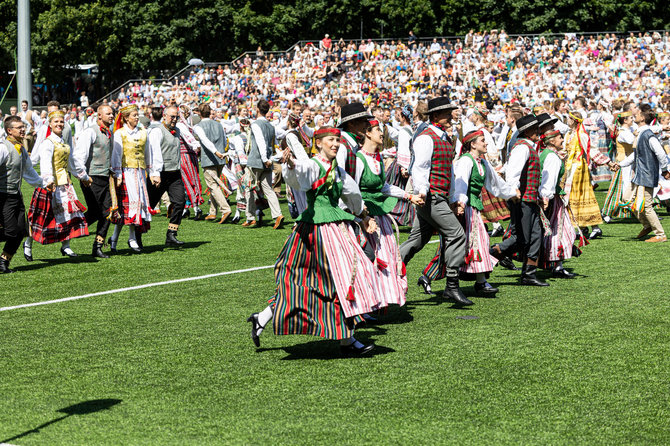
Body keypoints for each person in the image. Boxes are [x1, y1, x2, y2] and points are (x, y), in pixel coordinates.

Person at [247, 127, 383, 356]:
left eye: (337, 140)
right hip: (314, 232)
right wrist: (290, 165)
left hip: (333, 230)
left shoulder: (338, 172)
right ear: (318, 143)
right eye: (331, 140)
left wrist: (364, 217)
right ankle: (347, 341)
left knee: (328, 283)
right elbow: (299, 177)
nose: (336, 144)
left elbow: (353, 196)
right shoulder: (313, 165)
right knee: (315, 283)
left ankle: (263, 318)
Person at [399, 97, 471, 306]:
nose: (451, 115)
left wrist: (453, 197)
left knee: (417, 240)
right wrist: (422, 192)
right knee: (457, 234)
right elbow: (420, 168)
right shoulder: (426, 138)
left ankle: (389, 270)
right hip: (430, 196)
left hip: (437, 196)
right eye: (447, 113)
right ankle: (451, 285)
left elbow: (448, 171)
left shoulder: (444, 137)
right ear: (436, 116)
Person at [355, 119, 421, 306]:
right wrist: (363, 216)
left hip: (380, 213)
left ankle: (382, 299)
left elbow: (384, 187)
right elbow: (353, 190)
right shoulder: (359, 159)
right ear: (367, 133)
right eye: (377, 130)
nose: (381, 133)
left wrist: (408, 196)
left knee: (387, 254)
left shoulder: (376, 159)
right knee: (371, 257)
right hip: (364, 217)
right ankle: (368, 301)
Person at [491, 115, 548, 286]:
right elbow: (513, 173)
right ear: (529, 131)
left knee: (536, 235)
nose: (539, 132)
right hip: (521, 198)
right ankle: (490, 255)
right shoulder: (522, 148)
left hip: (530, 198)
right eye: (536, 129)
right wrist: (514, 191)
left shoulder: (528, 146)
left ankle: (529, 273)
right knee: (521, 238)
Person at [26, 110, 90, 258]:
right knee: (40, 217)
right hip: (51, 185)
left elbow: (72, 163)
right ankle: (28, 244)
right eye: (56, 122)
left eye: (61, 122)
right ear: (50, 124)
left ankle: (66, 246)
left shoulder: (65, 144)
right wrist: (49, 180)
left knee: (68, 215)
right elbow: (46, 164)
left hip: (65, 184)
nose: (59, 124)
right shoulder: (47, 143)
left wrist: (83, 176)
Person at [618, 104, 670, 242]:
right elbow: (635, 156)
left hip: (647, 173)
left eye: (638, 113)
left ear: (642, 118)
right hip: (638, 174)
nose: (636, 114)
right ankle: (647, 225)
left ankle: (660, 234)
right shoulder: (641, 132)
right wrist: (619, 165)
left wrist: (665, 170)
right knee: (627, 199)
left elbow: (661, 153)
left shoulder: (647, 134)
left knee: (646, 205)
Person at [0, 116, 44, 273]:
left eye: (23, 126)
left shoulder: (21, 149)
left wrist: (43, 184)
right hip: (3, 196)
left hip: (16, 195)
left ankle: (3, 261)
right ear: (9, 131)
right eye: (19, 127)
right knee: (10, 231)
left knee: (21, 230)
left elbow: (29, 171)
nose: (23, 129)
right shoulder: (3, 148)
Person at [563, 110, 615, 239]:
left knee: (584, 197)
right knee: (572, 198)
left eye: (569, 118)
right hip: (570, 170)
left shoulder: (582, 135)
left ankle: (595, 227)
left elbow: (591, 151)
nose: (567, 120)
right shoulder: (569, 134)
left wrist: (608, 162)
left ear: (574, 120)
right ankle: (582, 226)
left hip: (580, 169)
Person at [73, 104, 116, 258]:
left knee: (106, 212)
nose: (112, 116)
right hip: (92, 177)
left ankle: (96, 245)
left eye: (112, 113)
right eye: (108, 113)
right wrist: (83, 176)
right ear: (99, 116)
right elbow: (79, 156)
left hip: (105, 177)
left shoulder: (109, 132)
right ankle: (72, 232)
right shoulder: (90, 131)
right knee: (100, 211)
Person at [109, 104, 152, 253]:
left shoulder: (143, 132)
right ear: (126, 118)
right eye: (134, 115)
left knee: (136, 206)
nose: (137, 117)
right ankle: (128, 238)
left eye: (137, 114)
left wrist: (152, 171)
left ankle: (123, 238)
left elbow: (148, 153)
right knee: (127, 207)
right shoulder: (120, 133)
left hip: (139, 173)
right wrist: (118, 174)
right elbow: (116, 155)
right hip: (126, 172)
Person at [538, 129, 578, 278]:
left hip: (548, 196)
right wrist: (547, 197)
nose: (563, 140)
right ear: (552, 141)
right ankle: (557, 265)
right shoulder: (552, 158)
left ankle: (553, 263)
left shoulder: (544, 154)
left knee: (553, 230)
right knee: (561, 231)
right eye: (560, 138)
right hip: (551, 198)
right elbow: (549, 179)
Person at [147, 105, 187, 246]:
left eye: (176, 116)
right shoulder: (157, 131)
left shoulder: (177, 131)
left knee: (180, 201)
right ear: (164, 116)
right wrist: (155, 174)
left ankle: (171, 234)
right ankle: (136, 235)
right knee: (148, 205)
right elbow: (154, 153)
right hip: (160, 174)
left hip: (174, 174)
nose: (174, 119)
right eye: (172, 116)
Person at [243, 99, 284, 229]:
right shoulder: (271, 126)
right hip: (268, 160)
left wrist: (265, 158)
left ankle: (250, 217)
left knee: (249, 188)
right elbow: (273, 144)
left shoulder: (255, 124)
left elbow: (260, 142)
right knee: (268, 189)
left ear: (257, 109)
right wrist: (272, 158)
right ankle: (277, 214)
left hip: (256, 160)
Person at [193, 103, 231, 223]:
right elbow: (225, 140)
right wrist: (222, 152)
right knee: (214, 185)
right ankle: (212, 212)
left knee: (212, 185)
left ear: (199, 113)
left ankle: (225, 209)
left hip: (210, 158)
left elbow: (205, 140)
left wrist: (215, 152)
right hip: (221, 159)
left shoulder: (198, 126)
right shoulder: (219, 124)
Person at [337, 102, 373, 177]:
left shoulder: (353, 143)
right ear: (351, 123)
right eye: (364, 121)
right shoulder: (341, 146)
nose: (368, 124)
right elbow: (340, 178)